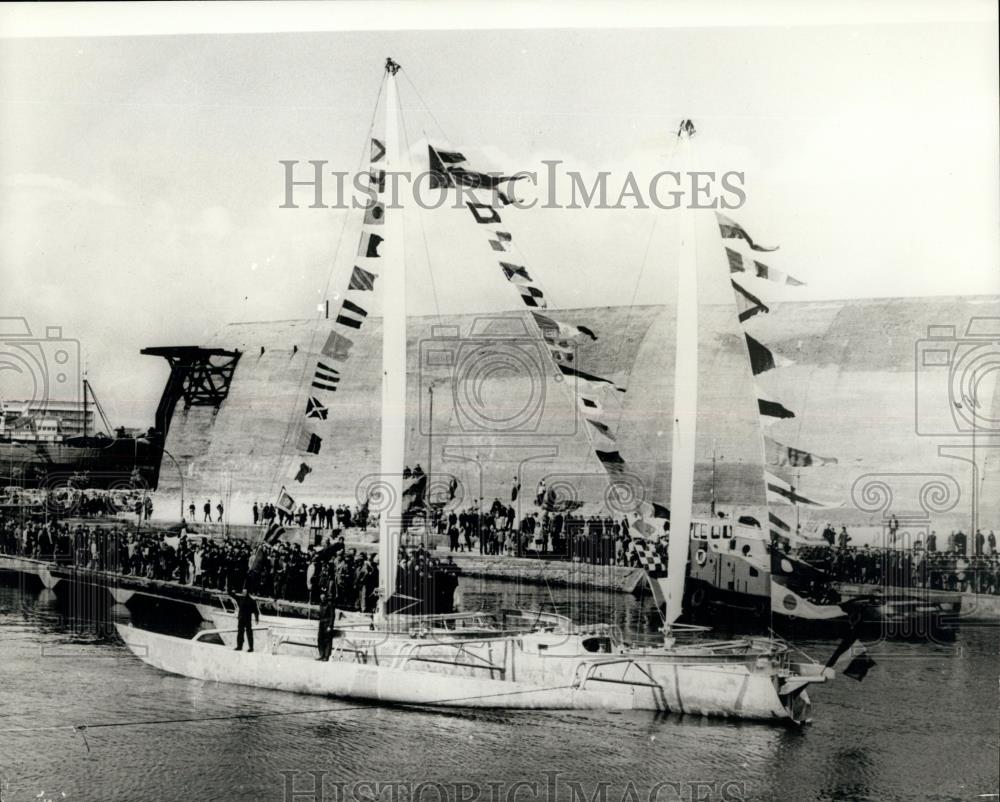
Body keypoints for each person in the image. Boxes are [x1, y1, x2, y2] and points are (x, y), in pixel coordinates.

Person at [230, 588, 260, 652]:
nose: (243, 593)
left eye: (245, 592)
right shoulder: (240, 599)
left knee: (249, 633)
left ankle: (251, 648)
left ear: (247, 593)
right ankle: (239, 646)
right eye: (243, 592)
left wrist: (256, 619)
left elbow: (256, 611)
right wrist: (233, 591)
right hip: (241, 619)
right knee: (240, 632)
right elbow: (232, 595)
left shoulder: (252, 601)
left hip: (247, 620)